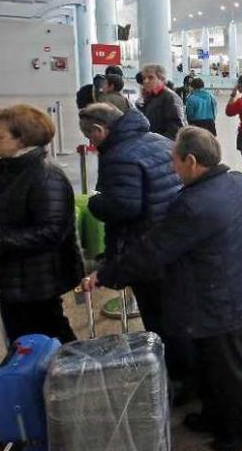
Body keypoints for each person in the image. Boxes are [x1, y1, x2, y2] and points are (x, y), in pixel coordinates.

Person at [84, 126, 242, 451]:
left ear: (191, 161)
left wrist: (107, 275)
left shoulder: (193, 204)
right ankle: (215, 417)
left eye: (174, 161)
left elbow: (153, 251)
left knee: (230, 371)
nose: (172, 168)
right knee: (215, 364)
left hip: (218, 300)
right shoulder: (241, 184)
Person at [77, 103, 193, 389]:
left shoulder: (119, 155)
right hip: (172, 241)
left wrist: (94, 202)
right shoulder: (158, 139)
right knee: (177, 315)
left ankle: (177, 379)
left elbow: (125, 206)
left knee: (158, 318)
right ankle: (189, 375)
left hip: (143, 246)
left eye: (89, 137)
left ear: (99, 130)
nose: (90, 143)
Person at [0, 105, 83, 343]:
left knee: (48, 340)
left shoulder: (46, 177)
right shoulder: (8, 171)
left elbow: (51, 231)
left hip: (35, 282)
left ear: (21, 140)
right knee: (26, 343)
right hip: (15, 280)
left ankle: (76, 379)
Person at [139, 64, 186, 140]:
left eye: (150, 77)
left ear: (162, 79)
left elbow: (176, 128)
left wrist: (157, 142)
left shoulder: (170, 97)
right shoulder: (150, 97)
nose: (146, 81)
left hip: (164, 146)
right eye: (144, 78)